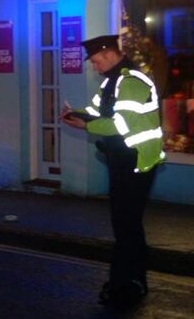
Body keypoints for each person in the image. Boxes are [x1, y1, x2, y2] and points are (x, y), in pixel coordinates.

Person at [61, 35, 164, 307]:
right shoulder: (112, 82)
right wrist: (77, 114)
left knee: (126, 226)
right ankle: (132, 281)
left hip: (136, 162)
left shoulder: (131, 82)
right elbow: (96, 111)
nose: (94, 67)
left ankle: (125, 285)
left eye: (95, 61)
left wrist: (87, 127)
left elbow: (121, 125)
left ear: (108, 54)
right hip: (121, 161)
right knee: (127, 225)